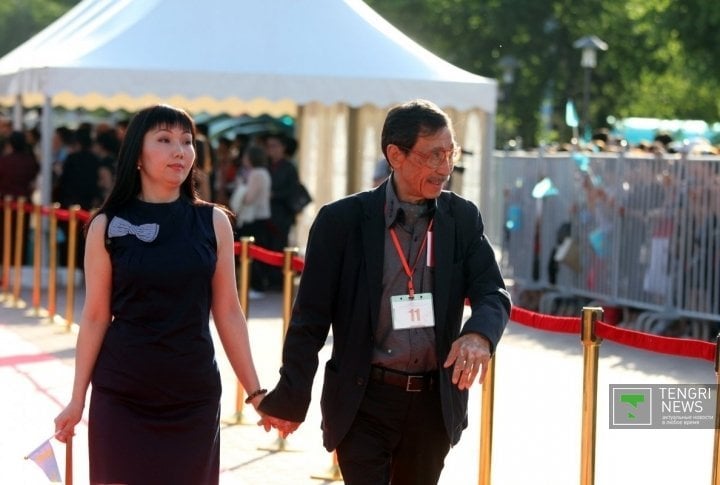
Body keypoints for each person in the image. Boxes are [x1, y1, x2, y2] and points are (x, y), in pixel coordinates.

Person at [257, 99, 511, 484]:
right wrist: (291, 398)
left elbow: (492, 290)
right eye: (434, 155)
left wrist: (479, 334)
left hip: (432, 403)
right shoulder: (341, 221)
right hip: (364, 400)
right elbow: (310, 319)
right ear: (395, 154)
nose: (446, 168)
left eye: (451, 153)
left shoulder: (461, 218)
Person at [53, 104, 266, 485]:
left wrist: (256, 393)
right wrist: (76, 398)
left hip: (192, 394)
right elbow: (96, 316)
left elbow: (229, 312)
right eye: (164, 140)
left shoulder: (214, 221)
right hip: (122, 393)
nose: (179, 151)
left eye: (187, 141)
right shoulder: (106, 224)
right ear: (137, 153)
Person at [229, 145, 272, 296]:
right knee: (257, 252)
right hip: (261, 218)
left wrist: (241, 187)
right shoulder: (264, 172)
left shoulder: (256, 173)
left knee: (252, 253)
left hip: (253, 219)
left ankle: (257, 286)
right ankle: (257, 285)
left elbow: (249, 198)